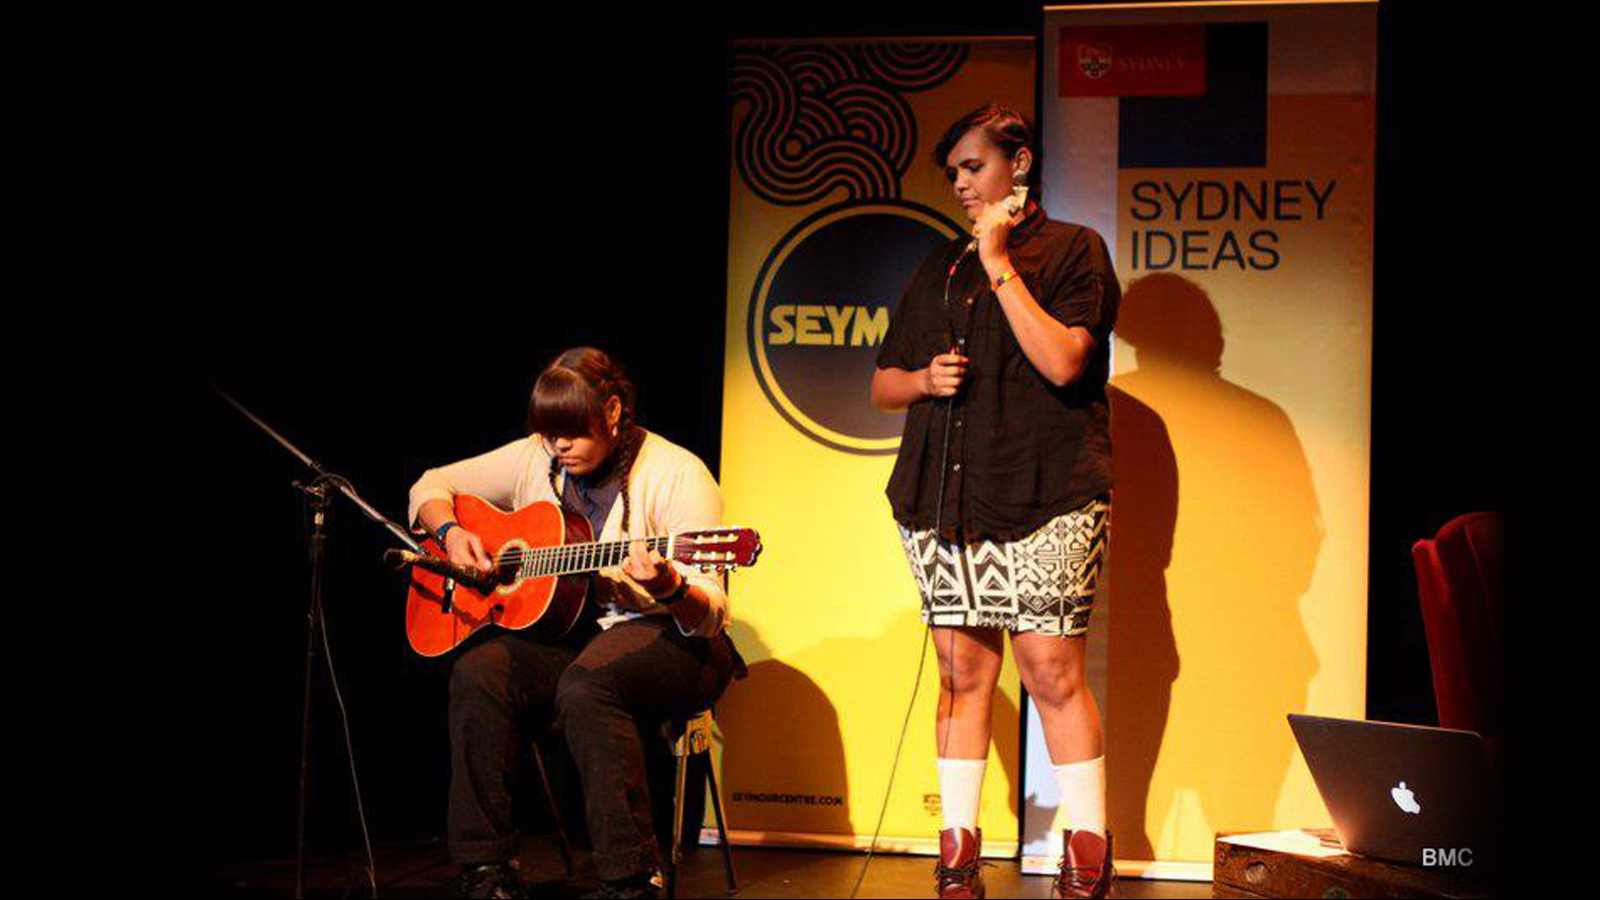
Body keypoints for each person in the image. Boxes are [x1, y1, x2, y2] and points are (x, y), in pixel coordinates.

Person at [871, 104, 1119, 900]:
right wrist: (922, 382)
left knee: (1049, 668)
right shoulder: (936, 269)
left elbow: (1063, 364)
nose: (961, 186)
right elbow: (884, 382)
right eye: (953, 175)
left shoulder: (1076, 249)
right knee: (959, 671)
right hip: (947, 499)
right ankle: (958, 856)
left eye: (973, 168)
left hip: (1049, 493)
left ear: (1019, 163)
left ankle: (1085, 851)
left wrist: (999, 258)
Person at [408, 347, 743, 900]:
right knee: (481, 672)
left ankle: (631, 877)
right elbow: (429, 484)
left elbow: (709, 614)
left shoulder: (678, 473)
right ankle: (484, 867)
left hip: (680, 645)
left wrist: (669, 585)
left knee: (588, 685)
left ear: (612, 411)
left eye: (573, 431)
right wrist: (450, 534)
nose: (560, 445)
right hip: (577, 639)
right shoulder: (536, 456)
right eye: (549, 433)